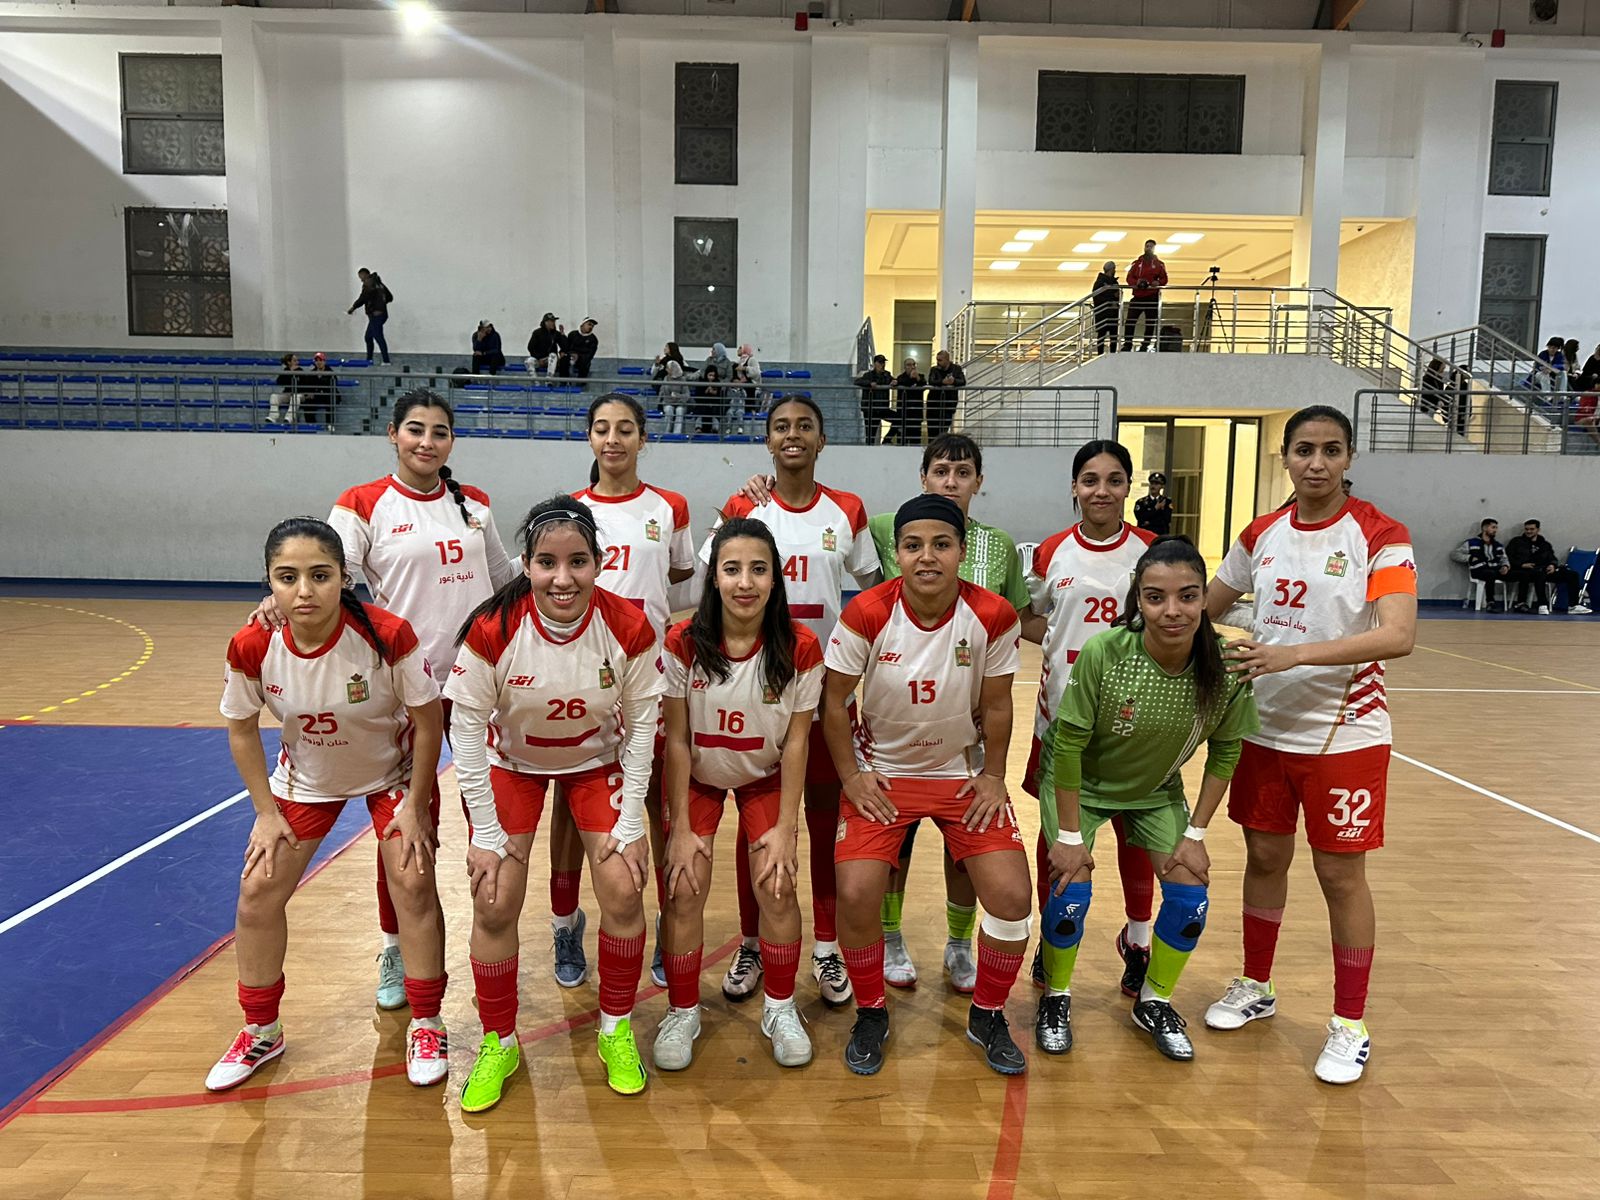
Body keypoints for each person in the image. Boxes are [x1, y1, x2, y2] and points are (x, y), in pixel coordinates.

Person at [249, 389, 517, 1009]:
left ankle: (495, 937)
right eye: (415, 429)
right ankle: (396, 948)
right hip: (401, 688)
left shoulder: (474, 503)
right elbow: (325, 572)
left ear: (452, 442)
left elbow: (505, 580)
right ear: (393, 434)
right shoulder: (362, 502)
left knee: (492, 820)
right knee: (408, 825)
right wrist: (276, 599)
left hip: (478, 684)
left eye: (440, 432)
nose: (427, 442)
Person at [1202, 404, 1418, 1086]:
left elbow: (1398, 634)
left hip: (1345, 732)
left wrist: (1293, 654)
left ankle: (1350, 1023)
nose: (1316, 463)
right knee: (1265, 857)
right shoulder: (1261, 532)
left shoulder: (1381, 535)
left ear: (1349, 457)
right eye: (1303, 450)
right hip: (1264, 727)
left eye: (1330, 450)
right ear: (1286, 457)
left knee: (1340, 875)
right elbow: (1206, 605)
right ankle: (1256, 985)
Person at [209, 518, 447, 1093]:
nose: (304, 591)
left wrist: (416, 804)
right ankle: (261, 1030)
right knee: (257, 892)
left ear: (345, 577)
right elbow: (241, 728)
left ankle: (427, 1023)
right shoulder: (252, 644)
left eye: (320, 575)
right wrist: (266, 813)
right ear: (269, 583)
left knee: (413, 882)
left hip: (393, 774)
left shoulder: (387, 634)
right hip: (306, 780)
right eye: (287, 578)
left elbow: (427, 719)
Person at [446, 496, 664, 1107]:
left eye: (577, 562)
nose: (562, 578)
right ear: (527, 564)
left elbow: (643, 726)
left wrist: (632, 817)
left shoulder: (628, 625)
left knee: (624, 887)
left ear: (599, 562)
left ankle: (615, 1028)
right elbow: (465, 730)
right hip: (512, 766)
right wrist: (486, 831)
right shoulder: (493, 627)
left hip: (597, 762)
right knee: (493, 899)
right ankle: (499, 1040)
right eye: (547, 563)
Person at [822, 494, 1032, 1077]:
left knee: (1012, 898)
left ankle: (987, 1014)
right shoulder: (867, 611)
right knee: (856, 893)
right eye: (913, 545)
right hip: (885, 776)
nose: (927, 556)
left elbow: (998, 705)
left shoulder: (992, 614)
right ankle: (871, 1011)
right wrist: (852, 776)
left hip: (960, 777)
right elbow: (833, 702)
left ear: (961, 551)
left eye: (942, 544)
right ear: (898, 554)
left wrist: (994, 776)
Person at [1034, 536, 1259, 1059]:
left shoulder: (1229, 665)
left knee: (1190, 899)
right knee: (1070, 892)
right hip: (1084, 787)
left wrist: (1196, 834)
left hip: (1156, 793)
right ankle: (1056, 996)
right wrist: (1069, 836)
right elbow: (1067, 745)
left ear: (1205, 599)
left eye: (1188, 596)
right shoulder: (1105, 652)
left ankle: (1153, 1001)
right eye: (1156, 597)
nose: (1172, 610)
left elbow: (1227, 751)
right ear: (1138, 600)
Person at [705, 395, 881, 1008]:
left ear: (822, 439)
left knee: (826, 822)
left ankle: (827, 947)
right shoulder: (744, 507)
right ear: (768, 440)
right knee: (757, 826)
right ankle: (752, 941)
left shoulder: (847, 509)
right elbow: (709, 584)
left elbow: (872, 594)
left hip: (825, 695)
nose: (793, 434)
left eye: (805, 425)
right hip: (755, 695)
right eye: (781, 426)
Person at [656, 517, 824, 1071]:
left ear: (776, 579)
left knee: (777, 884)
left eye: (758, 570)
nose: (745, 582)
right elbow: (676, 739)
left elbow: (797, 741)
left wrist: (787, 828)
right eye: (732, 569)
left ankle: (780, 1008)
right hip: (698, 777)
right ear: (714, 578)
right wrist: (681, 828)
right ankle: (682, 1010)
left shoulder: (801, 647)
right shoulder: (683, 642)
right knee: (683, 887)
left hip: (766, 776)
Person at [864, 434, 1029, 992]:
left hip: (970, 721)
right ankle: (890, 936)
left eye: (962, 472)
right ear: (923, 477)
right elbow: (822, 525)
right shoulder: (884, 526)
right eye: (940, 471)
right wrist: (760, 490)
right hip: (900, 717)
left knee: (966, 847)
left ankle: (960, 943)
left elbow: (1020, 619)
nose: (950, 481)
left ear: (979, 481)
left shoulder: (998, 545)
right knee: (898, 840)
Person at [545, 394, 695, 992]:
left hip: (648, 679)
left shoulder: (670, 506)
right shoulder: (569, 510)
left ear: (642, 438)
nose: (613, 439)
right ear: (589, 438)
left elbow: (677, 575)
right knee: (569, 806)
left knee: (656, 802)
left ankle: (664, 923)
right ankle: (564, 922)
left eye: (625, 429)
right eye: (602, 429)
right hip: (578, 679)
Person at [1021, 440, 1158, 997]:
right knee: (1058, 834)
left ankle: (1139, 939)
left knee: (1135, 831)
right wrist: (1063, 643)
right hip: (1061, 717)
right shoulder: (1050, 551)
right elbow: (1030, 619)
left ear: (1128, 487)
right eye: (1090, 480)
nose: (1102, 491)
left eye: (1114, 480)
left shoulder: (1152, 550)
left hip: (1133, 719)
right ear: (1074, 487)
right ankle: (1050, 938)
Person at [1505, 518, 1585, 613]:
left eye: (1531, 529)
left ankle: (1573, 606)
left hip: (1544, 569)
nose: (1528, 531)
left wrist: (1552, 565)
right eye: (1526, 529)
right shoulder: (1516, 542)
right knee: (1539, 574)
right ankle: (1542, 605)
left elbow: (1552, 557)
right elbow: (1507, 558)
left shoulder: (1545, 544)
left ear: (1538, 530)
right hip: (1526, 571)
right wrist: (1521, 565)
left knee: (1572, 575)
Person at [1450, 518, 1511, 611]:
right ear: (1484, 528)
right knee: (1490, 574)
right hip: (1479, 570)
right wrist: (1469, 558)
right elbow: (1455, 554)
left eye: (1496, 528)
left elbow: (1504, 558)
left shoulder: (1498, 545)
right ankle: (1490, 602)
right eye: (1493, 527)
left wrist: (1505, 566)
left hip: (1495, 569)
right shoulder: (1471, 542)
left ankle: (1521, 604)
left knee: (1521, 574)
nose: (1495, 530)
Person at [1121, 240, 1168, 353]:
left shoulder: (1159, 264)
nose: (1148, 248)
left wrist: (1158, 283)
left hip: (1152, 297)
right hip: (1138, 296)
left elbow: (1164, 279)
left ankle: (1145, 344)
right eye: (1147, 246)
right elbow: (1129, 278)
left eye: (1151, 247)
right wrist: (1136, 282)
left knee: (1150, 322)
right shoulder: (1136, 263)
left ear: (1154, 249)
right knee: (1130, 321)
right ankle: (1127, 344)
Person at [347, 268, 393, 365]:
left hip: (376, 315)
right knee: (368, 337)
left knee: (378, 336)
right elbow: (390, 297)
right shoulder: (379, 283)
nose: (361, 280)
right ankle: (369, 360)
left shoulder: (368, 283)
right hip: (381, 314)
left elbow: (363, 298)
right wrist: (381, 304)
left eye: (361, 277)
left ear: (365, 274)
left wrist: (353, 307)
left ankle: (386, 361)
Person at [926, 351, 966, 440]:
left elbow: (962, 381)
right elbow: (931, 381)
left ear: (947, 360)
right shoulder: (934, 369)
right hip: (934, 404)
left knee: (944, 430)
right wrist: (942, 382)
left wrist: (953, 381)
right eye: (937, 360)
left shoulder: (956, 369)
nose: (938, 362)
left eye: (940, 360)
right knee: (932, 431)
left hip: (948, 404)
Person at [856, 354, 894, 446]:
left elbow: (895, 380)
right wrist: (869, 384)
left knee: (899, 419)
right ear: (875, 363)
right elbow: (858, 381)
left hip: (882, 408)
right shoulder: (868, 375)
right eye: (880, 362)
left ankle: (887, 439)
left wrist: (895, 382)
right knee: (870, 434)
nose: (882, 365)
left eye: (883, 362)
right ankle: (870, 449)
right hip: (870, 410)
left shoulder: (887, 375)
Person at [892, 357, 926, 446]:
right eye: (909, 365)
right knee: (902, 441)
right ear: (905, 367)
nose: (912, 367)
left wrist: (917, 378)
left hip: (916, 415)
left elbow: (924, 384)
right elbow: (903, 382)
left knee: (916, 442)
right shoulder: (901, 377)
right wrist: (911, 378)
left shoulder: (920, 376)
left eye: (914, 364)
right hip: (903, 414)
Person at [1091, 260, 1121, 355]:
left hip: (1111, 313)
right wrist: (1112, 299)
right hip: (1103, 313)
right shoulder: (1100, 282)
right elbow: (1097, 296)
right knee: (1102, 334)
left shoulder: (1114, 282)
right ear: (1111, 269)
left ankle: (1111, 353)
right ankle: (1101, 354)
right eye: (1114, 269)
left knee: (1113, 335)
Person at [302, 352, 338, 427]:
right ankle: (311, 425)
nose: (319, 362)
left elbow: (333, 385)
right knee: (307, 403)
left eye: (320, 360)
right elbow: (307, 385)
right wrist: (309, 393)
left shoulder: (330, 373)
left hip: (327, 394)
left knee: (330, 401)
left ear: (324, 361)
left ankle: (330, 425)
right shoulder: (312, 373)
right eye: (317, 360)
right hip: (316, 395)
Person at [1134, 471, 1174, 535]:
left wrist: (1149, 520)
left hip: (1160, 535)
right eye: (1152, 483)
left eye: (1156, 484)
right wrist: (1155, 508)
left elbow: (1167, 519)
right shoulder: (1141, 502)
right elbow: (1141, 518)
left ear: (1162, 486)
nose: (1153, 486)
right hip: (1145, 534)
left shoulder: (1166, 501)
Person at [269, 353, 304, 425]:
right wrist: (290, 373)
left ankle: (289, 417)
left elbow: (304, 384)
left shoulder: (301, 371)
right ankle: (273, 416)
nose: (297, 362)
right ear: (289, 362)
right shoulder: (286, 371)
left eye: (297, 360)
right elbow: (279, 382)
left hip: (299, 394)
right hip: (287, 393)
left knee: (295, 397)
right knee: (274, 396)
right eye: (295, 361)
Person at [659, 360, 691, 436]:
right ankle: (666, 433)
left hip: (680, 403)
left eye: (668, 368)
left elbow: (687, 395)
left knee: (679, 411)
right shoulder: (666, 378)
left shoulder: (682, 380)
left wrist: (678, 396)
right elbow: (663, 394)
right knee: (669, 410)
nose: (666, 369)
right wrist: (671, 399)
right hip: (668, 402)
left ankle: (677, 435)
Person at [694, 365, 726, 436]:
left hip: (714, 404)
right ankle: (698, 427)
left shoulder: (718, 383)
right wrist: (705, 392)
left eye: (713, 376)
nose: (711, 377)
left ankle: (715, 428)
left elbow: (720, 398)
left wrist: (714, 394)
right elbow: (697, 397)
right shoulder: (701, 382)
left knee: (716, 410)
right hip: (702, 404)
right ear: (706, 374)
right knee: (700, 410)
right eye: (710, 375)